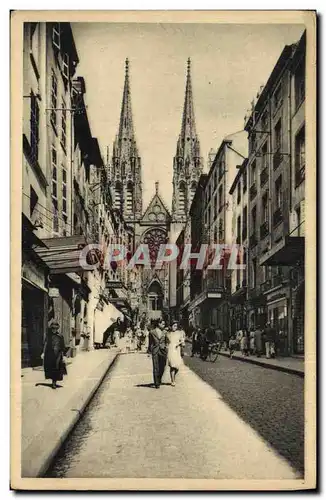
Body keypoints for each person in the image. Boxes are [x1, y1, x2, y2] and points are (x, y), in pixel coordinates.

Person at [43, 320, 67, 389]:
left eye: (55, 328)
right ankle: (53, 381)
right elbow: (45, 344)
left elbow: (63, 346)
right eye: (53, 328)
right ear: (51, 328)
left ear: (57, 329)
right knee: (50, 368)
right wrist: (43, 353)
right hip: (50, 354)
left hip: (58, 355)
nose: (54, 330)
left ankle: (54, 383)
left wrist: (64, 355)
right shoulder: (48, 336)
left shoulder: (60, 336)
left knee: (56, 368)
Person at [147, 318, 167, 388]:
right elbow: (150, 343)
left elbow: (167, 341)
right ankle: (156, 383)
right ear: (159, 324)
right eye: (163, 324)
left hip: (163, 351)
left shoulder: (165, 332)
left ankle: (159, 378)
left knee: (163, 366)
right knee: (156, 367)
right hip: (155, 351)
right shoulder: (152, 332)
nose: (164, 325)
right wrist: (149, 351)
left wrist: (166, 347)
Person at [166, 321, 185, 386]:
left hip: (177, 350)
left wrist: (180, 344)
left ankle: (173, 377)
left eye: (176, 326)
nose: (175, 327)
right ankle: (172, 380)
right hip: (171, 350)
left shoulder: (179, 333)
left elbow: (182, 341)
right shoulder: (168, 333)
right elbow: (166, 342)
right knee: (172, 366)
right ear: (171, 326)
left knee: (177, 367)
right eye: (174, 326)